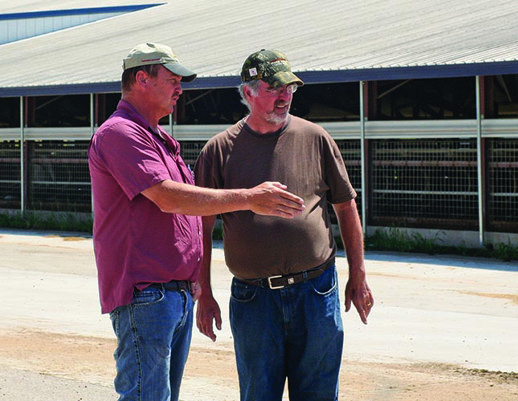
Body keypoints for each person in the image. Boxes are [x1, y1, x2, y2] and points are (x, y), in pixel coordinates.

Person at [88, 43, 305, 401]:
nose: (179, 89)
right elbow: (169, 197)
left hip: (171, 294)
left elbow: (184, 210)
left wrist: (195, 282)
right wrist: (249, 198)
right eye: (172, 80)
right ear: (142, 79)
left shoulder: (157, 138)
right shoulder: (120, 133)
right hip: (147, 294)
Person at [194, 49, 374, 401]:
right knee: (258, 394)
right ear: (248, 93)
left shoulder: (315, 138)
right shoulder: (218, 150)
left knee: (319, 394)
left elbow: (346, 207)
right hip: (253, 298)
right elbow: (200, 228)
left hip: (316, 292)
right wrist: (205, 292)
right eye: (274, 88)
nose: (284, 96)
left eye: (289, 88)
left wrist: (359, 274)